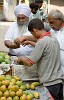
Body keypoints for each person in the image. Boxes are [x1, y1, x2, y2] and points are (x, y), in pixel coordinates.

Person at [16, 18, 64, 100]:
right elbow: (46, 49)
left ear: (35, 30)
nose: (33, 35)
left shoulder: (42, 42)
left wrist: (21, 58)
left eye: (32, 33)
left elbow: (29, 62)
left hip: (50, 83)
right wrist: (30, 42)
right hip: (58, 82)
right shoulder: (52, 38)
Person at [47, 9, 64, 75]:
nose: (49, 25)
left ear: (60, 20)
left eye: (51, 22)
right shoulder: (53, 31)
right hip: (57, 72)